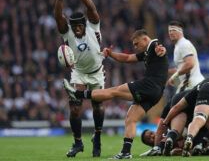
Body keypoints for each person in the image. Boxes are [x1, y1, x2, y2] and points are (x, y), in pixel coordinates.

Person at [63, 29, 169, 159]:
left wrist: (162, 50)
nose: (135, 47)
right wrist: (111, 54)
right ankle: (126, 152)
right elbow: (128, 58)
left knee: (113, 91)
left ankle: (78, 94)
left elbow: (161, 49)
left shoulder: (154, 45)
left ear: (145, 39)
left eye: (137, 44)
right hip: (156, 93)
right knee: (130, 119)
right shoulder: (146, 52)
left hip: (149, 85)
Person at [54, 0, 105, 157]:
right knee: (75, 108)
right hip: (79, 73)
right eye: (74, 26)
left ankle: (97, 136)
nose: (77, 29)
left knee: (98, 106)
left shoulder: (93, 25)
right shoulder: (66, 32)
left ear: (84, 24)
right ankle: (78, 143)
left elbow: (91, 7)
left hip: (97, 72)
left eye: (79, 26)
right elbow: (58, 16)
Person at [141, 20, 205, 156]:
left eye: (173, 30)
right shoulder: (178, 47)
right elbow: (183, 66)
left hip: (191, 86)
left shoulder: (184, 44)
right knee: (194, 119)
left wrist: (174, 76)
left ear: (180, 31)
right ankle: (195, 144)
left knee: (168, 115)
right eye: (169, 31)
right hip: (189, 87)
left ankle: (160, 146)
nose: (170, 33)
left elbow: (190, 64)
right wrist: (169, 72)